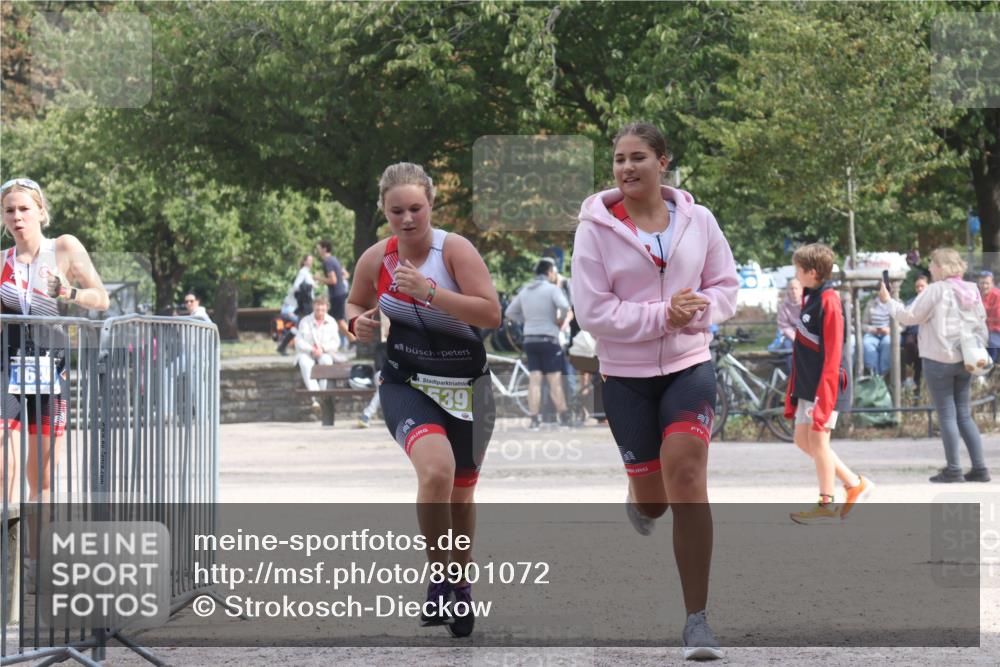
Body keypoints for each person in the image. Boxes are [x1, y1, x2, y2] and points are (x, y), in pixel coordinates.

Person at [571, 123, 739, 661]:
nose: (625, 168)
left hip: (691, 365)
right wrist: (663, 315)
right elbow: (593, 312)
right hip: (625, 377)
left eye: (637, 157)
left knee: (687, 476)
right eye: (618, 159)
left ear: (663, 161)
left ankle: (697, 621)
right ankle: (640, 495)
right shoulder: (595, 228)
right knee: (655, 502)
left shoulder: (699, 219)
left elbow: (725, 287)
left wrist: (699, 313)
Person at [346, 162, 500, 638]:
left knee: (460, 498)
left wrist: (431, 293)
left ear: (431, 204)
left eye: (416, 208)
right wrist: (357, 324)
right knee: (436, 471)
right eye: (397, 211)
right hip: (407, 383)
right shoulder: (377, 258)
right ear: (384, 212)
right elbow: (352, 304)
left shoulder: (454, 251)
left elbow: (491, 314)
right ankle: (441, 577)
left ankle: (460, 580)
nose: (408, 219)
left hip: (468, 388)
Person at [2, 177, 109, 586]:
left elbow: (101, 297)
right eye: (10, 210)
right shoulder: (1, 261)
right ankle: (6, 564)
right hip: (7, 367)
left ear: (41, 211)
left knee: (41, 476)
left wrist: (67, 291)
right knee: (3, 469)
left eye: (24, 209)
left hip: (51, 365)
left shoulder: (62, 246)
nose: (17, 217)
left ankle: (36, 562)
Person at [880, 248, 991, 482]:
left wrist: (889, 301)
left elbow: (909, 317)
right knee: (964, 415)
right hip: (967, 360)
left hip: (939, 359)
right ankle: (980, 468)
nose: (929, 268)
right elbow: (982, 323)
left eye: (932, 264)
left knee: (947, 416)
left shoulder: (935, 290)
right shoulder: (971, 289)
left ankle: (953, 469)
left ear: (941, 267)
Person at [783, 243, 873, 525]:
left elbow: (834, 353)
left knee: (819, 443)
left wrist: (826, 394)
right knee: (802, 440)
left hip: (825, 387)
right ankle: (854, 483)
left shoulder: (829, 300)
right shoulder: (811, 297)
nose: (795, 273)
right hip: (807, 385)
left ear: (812, 272)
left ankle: (826, 502)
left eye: (799, 269)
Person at [504, 257, 572, 430]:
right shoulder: (552, 289)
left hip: (530, 339)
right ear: (549, 272)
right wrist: (559, 320)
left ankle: (534, 419)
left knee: (534, 379)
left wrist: (526, 321)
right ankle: (563, 416)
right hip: (549, 339)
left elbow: (510, 312)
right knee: (554, 379)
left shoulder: (525, 290)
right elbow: (565, 305)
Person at [294, 296, 344, 392]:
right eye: (318, 307)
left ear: (326, 307)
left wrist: (323, 348)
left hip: (325, 353)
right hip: (308, 353)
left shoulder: (332, 322)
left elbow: (336, 342)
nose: (320, 310)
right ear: (313, 306)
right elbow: (298, 341)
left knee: (327, 362)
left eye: (322, 307)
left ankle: (323, 394)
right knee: (304, 363)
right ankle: (315, 396)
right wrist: (312, 349)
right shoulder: (305, 321)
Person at [277, 254, 316, 355]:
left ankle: (283, 346)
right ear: (304, 261)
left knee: (300, 326)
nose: (311, 262)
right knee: (305, 325)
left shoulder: (307, 272)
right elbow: (296, 286)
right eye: (309, 260)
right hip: (305, 305)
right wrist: (307, 288)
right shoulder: (303, 272)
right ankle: (284, 346)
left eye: (312, 260)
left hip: (307, 304)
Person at [315, 240, 350, 348]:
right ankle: (344, 342)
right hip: (340, 293)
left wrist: (318, 278)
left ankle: (355, 340)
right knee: (335, 320)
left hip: (336, 294)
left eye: (319, 248)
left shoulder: (327, 261)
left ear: (324, 249)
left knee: (339, 321)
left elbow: (333, 280)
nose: (317, 250)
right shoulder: (334, 259)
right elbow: (345, 275)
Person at [902, 275, 929, 393]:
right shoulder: (910, 302)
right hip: (913, 333)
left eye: (922, 286)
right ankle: (910, 379)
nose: (919, 289)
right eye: (917, 287)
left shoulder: (932, 301)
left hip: (928, 334)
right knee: (910, 344)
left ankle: (919, 381)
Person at [861, 291, 892, 376]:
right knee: (867, 343)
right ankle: (874, 372)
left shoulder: (896, 302)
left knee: (887, 342)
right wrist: (871, 329)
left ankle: (884, 372)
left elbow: (903, 325)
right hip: (873, 333)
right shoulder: (871, 303)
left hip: (889, 333)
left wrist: (890, 330)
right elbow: (863, 324)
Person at [976, 270, 1000, 362]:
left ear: (992, 283)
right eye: (982, 283)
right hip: (979, 329)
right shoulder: (975, 294)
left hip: (995, 330)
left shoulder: (998, 295)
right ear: (978, 283)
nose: (984, 286)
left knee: (991, 342)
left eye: (987, 283)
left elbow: (996, 318)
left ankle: (989, 369)